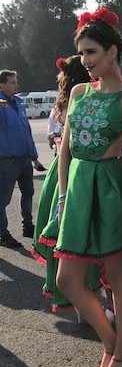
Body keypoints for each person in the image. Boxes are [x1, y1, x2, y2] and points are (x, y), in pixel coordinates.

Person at [50, 7, 122, 367]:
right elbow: (65, 150)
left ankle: (121, 352)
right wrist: (61, 192)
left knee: (119, 280)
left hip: (113, 190)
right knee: (68, 278)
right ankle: (115, 345)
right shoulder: (77, 92)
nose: (86, 61)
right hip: (77, 190)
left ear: (112, 53)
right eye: (82, 54)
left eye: (92, 52)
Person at [32, 55, 110, 317]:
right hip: (80, 169)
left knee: (70, 237)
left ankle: (84, 306)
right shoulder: (83, 98)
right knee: (87, 234)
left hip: (62, 169)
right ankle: (92, 301)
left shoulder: (63, 101)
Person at [0, 69, 46, 248]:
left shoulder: (18, 103)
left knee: (28, 193)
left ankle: (28, 226)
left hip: (25, 159)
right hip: (7, 160)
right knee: (3, 199)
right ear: (2, 85)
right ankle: (3, 234)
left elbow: (26, 131)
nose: (17, 85)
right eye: (13, 82)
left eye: (16, 82)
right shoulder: (1, 104)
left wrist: (34, 157)